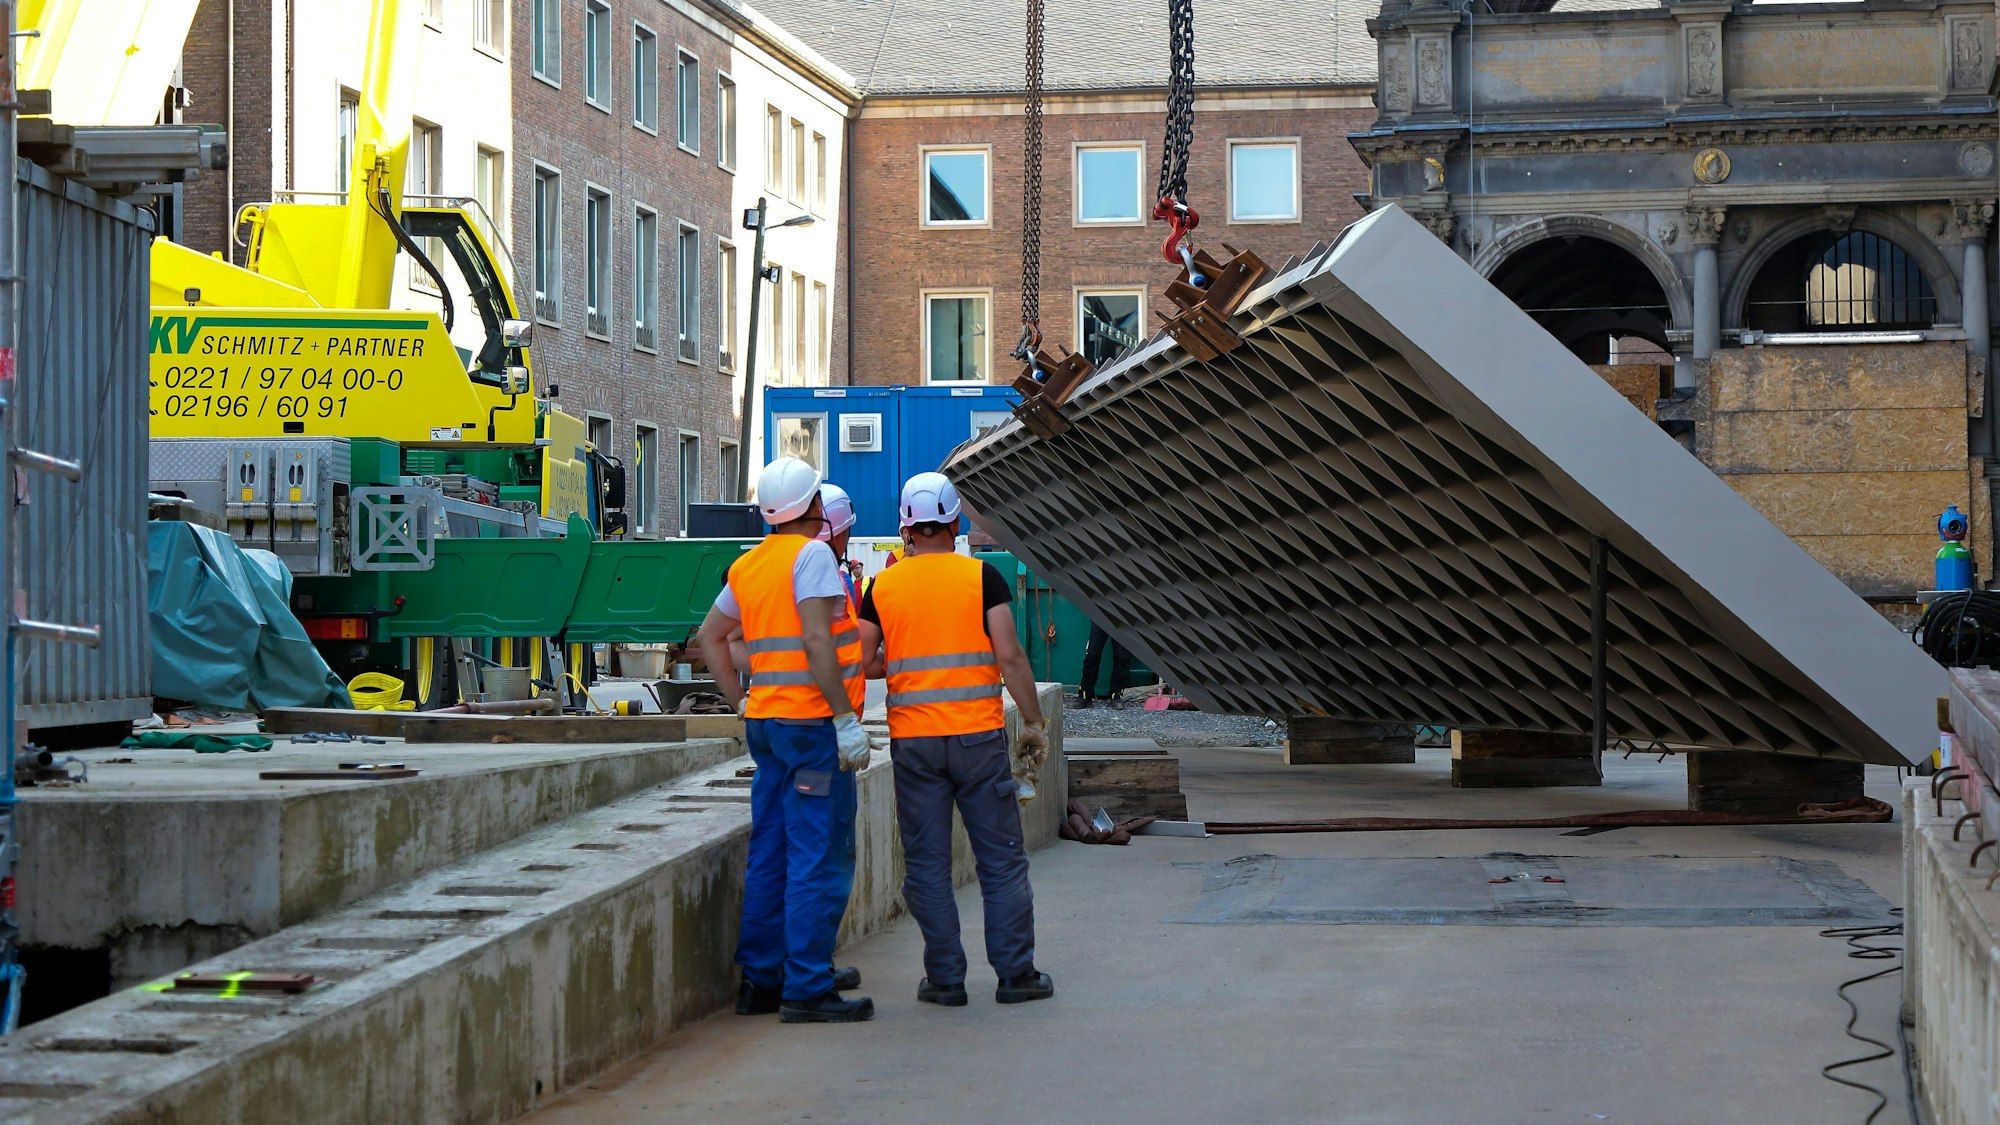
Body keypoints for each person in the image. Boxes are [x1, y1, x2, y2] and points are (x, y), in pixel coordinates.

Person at [855, 471, 1055, 1007]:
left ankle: (944, 980)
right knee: (1001, 857)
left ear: (906, 526)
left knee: (926, 864)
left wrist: (900, 661)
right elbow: (1010, 656)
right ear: (955, 520)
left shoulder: (884, 586)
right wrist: (1032, 723)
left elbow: (862, 661)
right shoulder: (982, 578)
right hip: (977, 741)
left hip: (915, 744)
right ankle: (1016, 976)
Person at [696, 457, 877, 1024]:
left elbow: (710, 636)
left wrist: (739, 698)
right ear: (815, 508)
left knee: (772, 849)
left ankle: (762, 980)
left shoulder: (749, 564)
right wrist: (846, 719)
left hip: (767, 728)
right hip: (810, 728)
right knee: (815, 853)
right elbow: (820, 642)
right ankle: (807, 985)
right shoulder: (814, 555)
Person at [1078, 621, 1133, 708]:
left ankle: (1116, 695)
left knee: (1122, 656)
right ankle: (1085, 696)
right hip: (1100, 615)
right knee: (1092, 654)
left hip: (1122, 616)